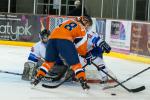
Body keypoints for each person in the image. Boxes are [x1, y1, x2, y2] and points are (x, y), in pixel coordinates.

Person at [31, 16, 93, 90]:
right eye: (88, 25)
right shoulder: (82, 29)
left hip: (51, 40)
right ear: (85, 23)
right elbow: (82, 50)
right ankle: (84, 83)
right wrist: (86, 55)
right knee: (76, 64)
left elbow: (62, 33)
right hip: (65, 42)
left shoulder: (68, 21)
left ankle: (37, 79)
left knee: (48, 63)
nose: (87, 27)